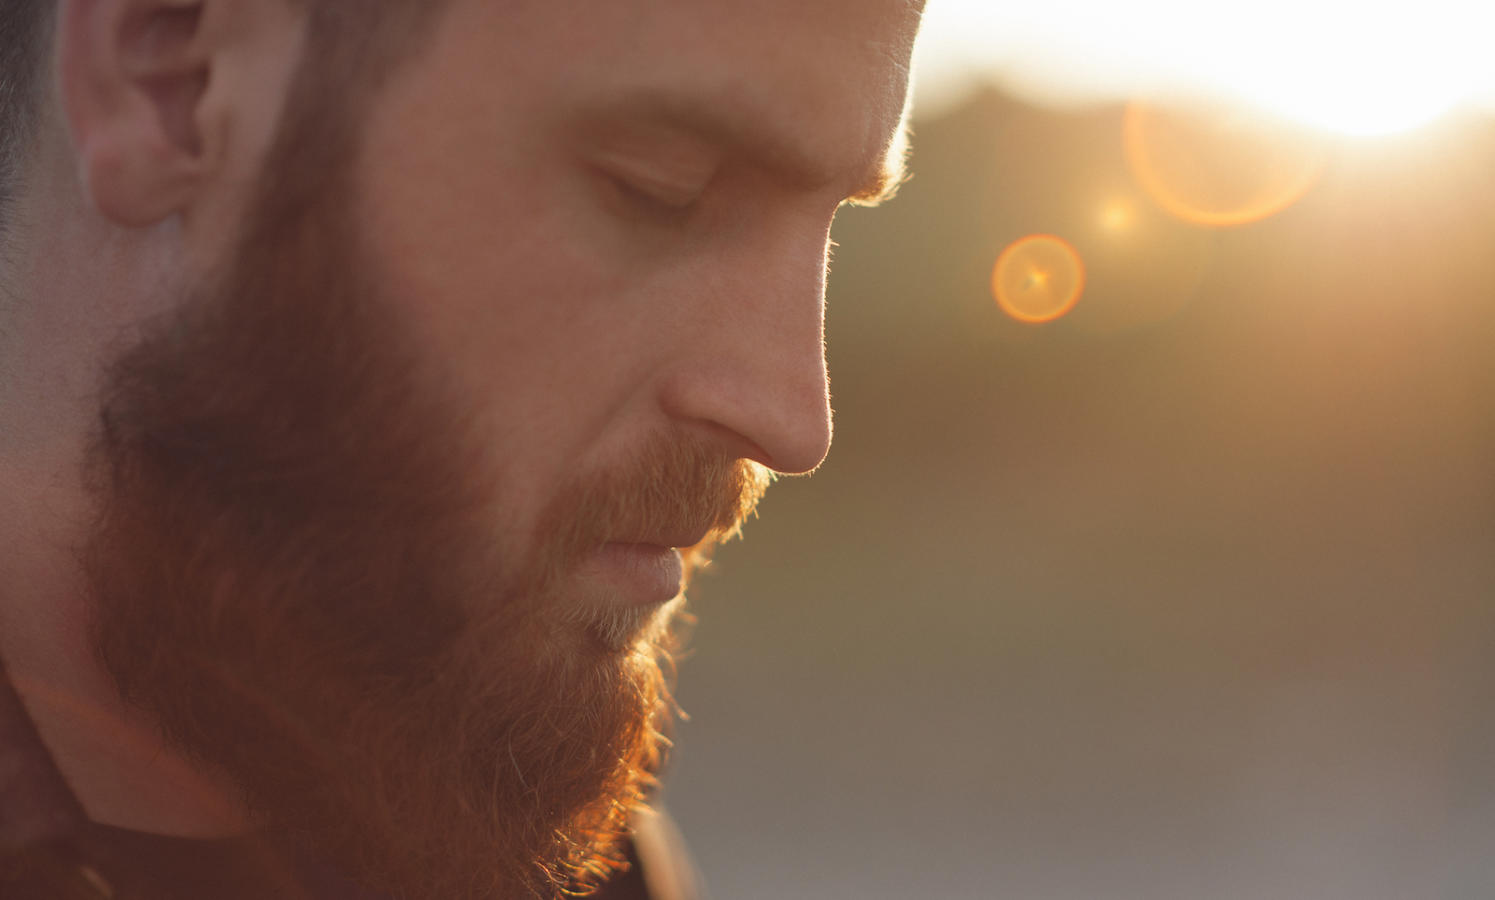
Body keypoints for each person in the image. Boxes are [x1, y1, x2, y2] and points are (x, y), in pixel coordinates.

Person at [0, 0, 923, 897]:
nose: (795, 420)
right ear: (174, 78)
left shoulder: (536, 844)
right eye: (658, 187)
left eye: (833, 226)